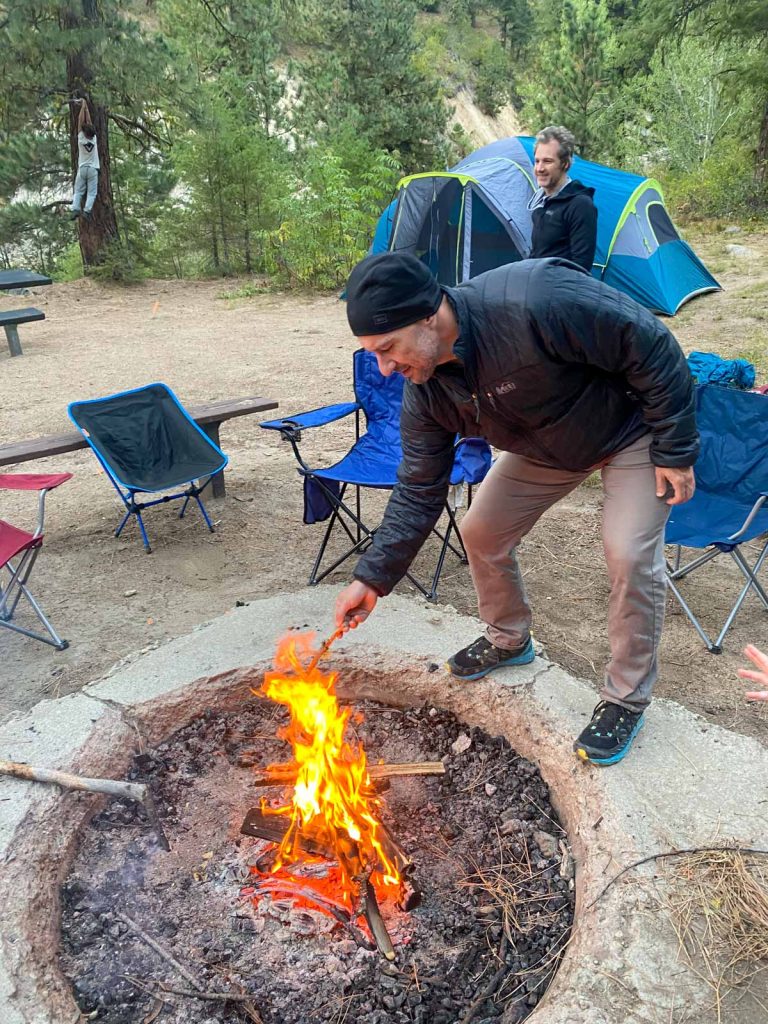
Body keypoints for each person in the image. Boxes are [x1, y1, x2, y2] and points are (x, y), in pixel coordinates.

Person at [334, 251, 698, 767]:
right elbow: (418, 488)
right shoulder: (427, 391)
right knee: (481, 529)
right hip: (547, 448)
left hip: (628, 433)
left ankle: (625, 698)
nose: (385, 368)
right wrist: (371, 579)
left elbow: (651, 345)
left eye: (387, 348)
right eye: (372, 353)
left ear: (427, 315)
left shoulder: (534, 299)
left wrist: (676, 449)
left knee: (628, 551)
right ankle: (508, 638)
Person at [528, 125, 597, 272]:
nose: (539, 168)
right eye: (537, 161)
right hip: (537, 289)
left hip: (560, 292)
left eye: (547, 161)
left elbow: (581, 268)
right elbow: (537, 254)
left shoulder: (580, 205)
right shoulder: (540, 204)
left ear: (565, 164)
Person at [69, 99, 99, 222]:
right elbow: (88, 123)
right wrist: (86, 108)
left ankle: (75, 209)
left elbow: (81, 122)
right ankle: (87, 211)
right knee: (92, 193)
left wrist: (83, 108)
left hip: (82, 169)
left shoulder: (81, 138)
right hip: (92, 170)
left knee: (78, 191)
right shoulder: (94, 139)